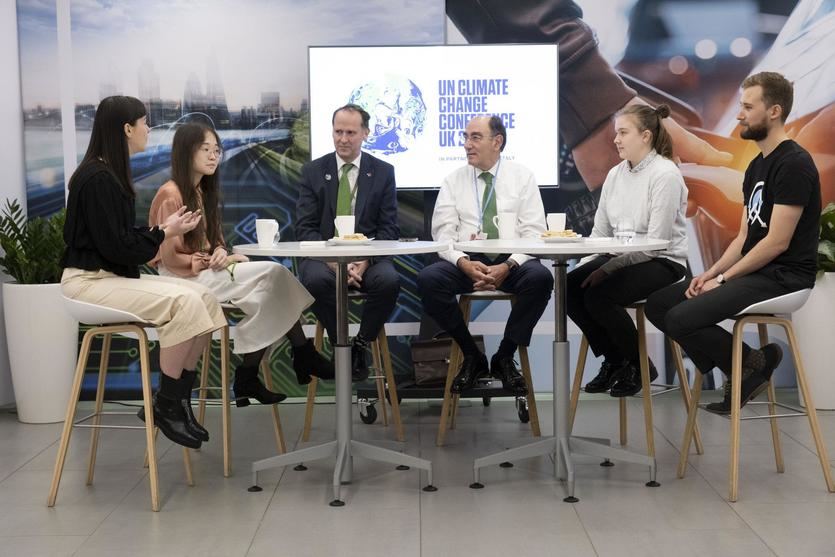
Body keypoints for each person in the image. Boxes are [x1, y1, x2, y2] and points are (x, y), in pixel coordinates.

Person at [646, 72, 820, 414]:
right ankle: (748, 365)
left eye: (747, 106)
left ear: (774, 111)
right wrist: (709, 273)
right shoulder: (756, 165)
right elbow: (744, 237)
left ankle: (746, 369)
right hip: (757, 271)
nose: (739, 113)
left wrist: (723, 281)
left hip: (784, 275)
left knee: (681, 319)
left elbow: (776, 243)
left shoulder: (794, 164)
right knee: (659, 306)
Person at [60, 96, 227, 450]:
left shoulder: (107, 174)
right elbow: (118, 248)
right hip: (87, 283)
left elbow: (119, 240)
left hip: (106, 279)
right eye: (145, 123)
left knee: (205, 298)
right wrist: (164, 233)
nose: (148, 130)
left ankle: (177, 401)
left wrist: (165, 229)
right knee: (184, 299)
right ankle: (166, 404)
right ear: (126, 129)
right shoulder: (98, 178)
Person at [148, 123, 334, 407]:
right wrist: (213, 259)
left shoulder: (205, 192)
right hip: (181, 278)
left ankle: (250, 376)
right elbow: (170, 257)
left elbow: (217, 241)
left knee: (267, 296)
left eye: (216, 150)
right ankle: (300, 353)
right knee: (274, 272)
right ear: (186, 152)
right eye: (205, 150)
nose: (213, 156)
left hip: (207, 272)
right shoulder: (170, 194)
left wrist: (221, 252)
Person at [417, 115, 554, 395]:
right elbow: (443, 235)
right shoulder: (453, 180)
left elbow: (534, 232)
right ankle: (472, 355)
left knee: (540, 278)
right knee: (429, 279)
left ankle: (504, 355)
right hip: (468, 259)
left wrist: (508, 264)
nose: (467, 144)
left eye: (475, 137)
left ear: (497, 142)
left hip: (513, 260)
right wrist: (464, 264)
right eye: (465, 137)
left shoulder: (522, 177)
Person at [566, 104, 688, 397]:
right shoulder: (615, 175)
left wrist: (605, 268)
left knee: (599, 295)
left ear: (645, 136)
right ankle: (616, 359)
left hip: (662, 260)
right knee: (569, 287)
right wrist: (589, 263)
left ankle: (639, 365)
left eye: (623, 133)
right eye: (616, 133)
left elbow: (656, 243)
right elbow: (600, 233)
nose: (616, 140)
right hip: (621, 258)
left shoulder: (665, 175)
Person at [295, 104, 401, 381]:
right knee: (315, 281)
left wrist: (364, 263)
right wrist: (333, 263)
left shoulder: (383, 172)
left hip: (368, 258)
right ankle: (340, 344)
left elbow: (389, 229)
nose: (343, 138)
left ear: (365, 133)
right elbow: (304, 228)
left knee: (388, 282)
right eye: (338, 131)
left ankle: (361, 345)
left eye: (351, 132)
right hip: (324, 259)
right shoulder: (313, 171)